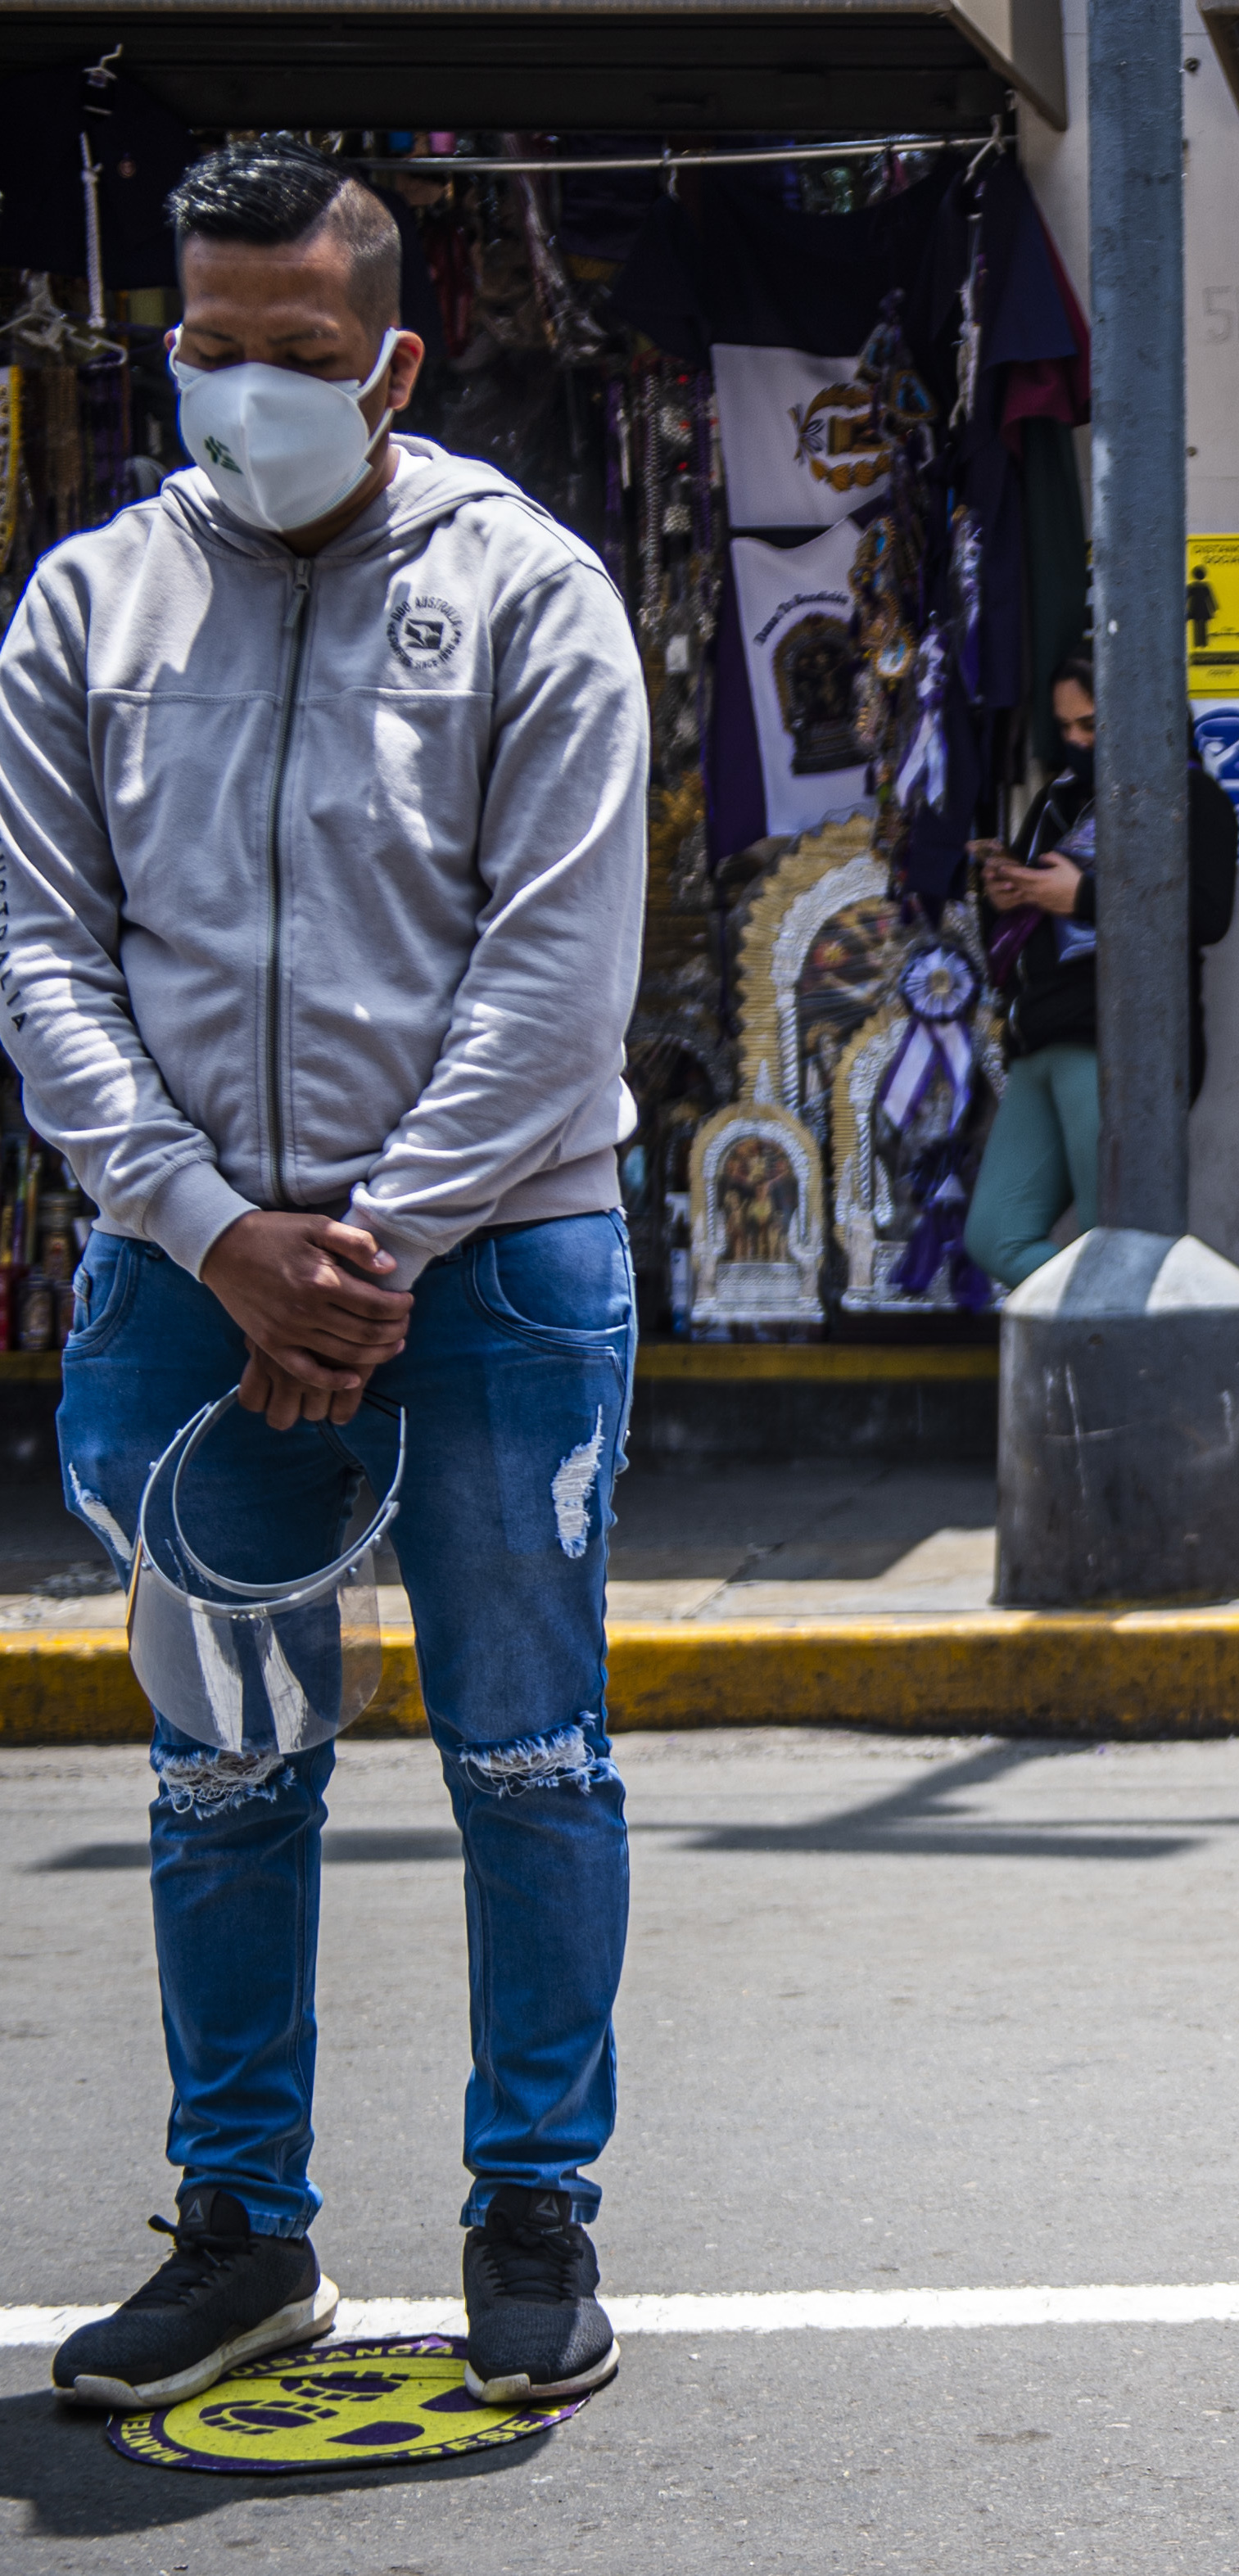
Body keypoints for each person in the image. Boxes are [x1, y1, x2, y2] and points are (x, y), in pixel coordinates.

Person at [2, 138, 647, 2408]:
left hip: (493, 1263)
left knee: (529, 1750)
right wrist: (214, 1233)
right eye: (207, 346)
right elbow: (41, 953)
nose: (243, 393)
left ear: (390, 361)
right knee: (225, 1761)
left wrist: (363, 1257)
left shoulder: (532, 593)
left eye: (295, 355)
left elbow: (556, 969)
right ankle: (239, 2226)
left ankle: (532, 2203)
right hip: (199, 1272)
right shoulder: (90, 606)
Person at [962, 658, 1239, 1290]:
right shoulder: (1057, 800)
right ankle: (1123, 1322)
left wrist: (1083, 897)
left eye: (1091, 725)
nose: (1078, 742)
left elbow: (1208, 914)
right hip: (1039, 1035)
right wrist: (1009, 891)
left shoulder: (1192, 798)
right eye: (1065, 729)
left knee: (1113, 1242)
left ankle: (1143, 1346)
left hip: (1120, 1046)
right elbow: (1025, 920)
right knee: (995, 1234)